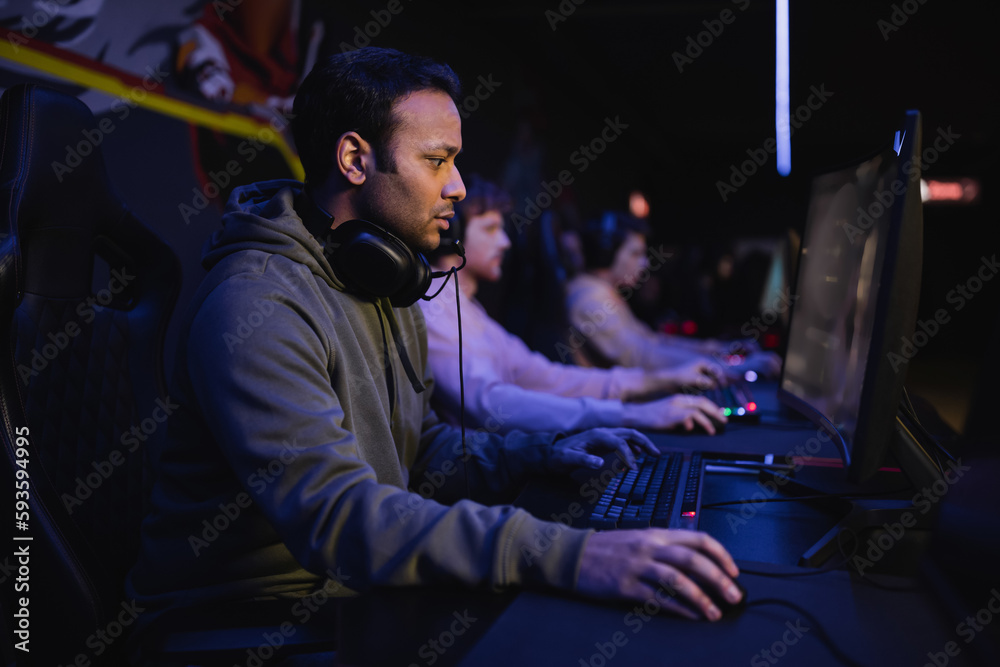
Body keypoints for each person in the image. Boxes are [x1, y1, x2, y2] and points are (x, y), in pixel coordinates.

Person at [126, 48, 744, 656]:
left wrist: (544, 453)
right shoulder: (256, 305)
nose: (458, 186)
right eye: (436, 160)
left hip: (344, 596)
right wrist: (569, 554)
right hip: (244, 621)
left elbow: (421, 452)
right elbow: (337, 518)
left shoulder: (383, 281)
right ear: (354, 159)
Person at [419, 176, 728, 435]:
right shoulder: (432, 305)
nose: (505, 242)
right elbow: (490, 404)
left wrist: (657, 382)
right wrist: (630, 415)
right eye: (490, 229)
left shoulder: (468, 309)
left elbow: (547, 377)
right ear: (450, 232)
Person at [565, 211, 782, 377]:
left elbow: (651, 342)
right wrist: (729, 367)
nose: (644, 263)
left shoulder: (601, 292)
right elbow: (641, 357)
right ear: (605, 254)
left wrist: (717, 350)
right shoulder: (589, 298)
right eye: (635, 253)